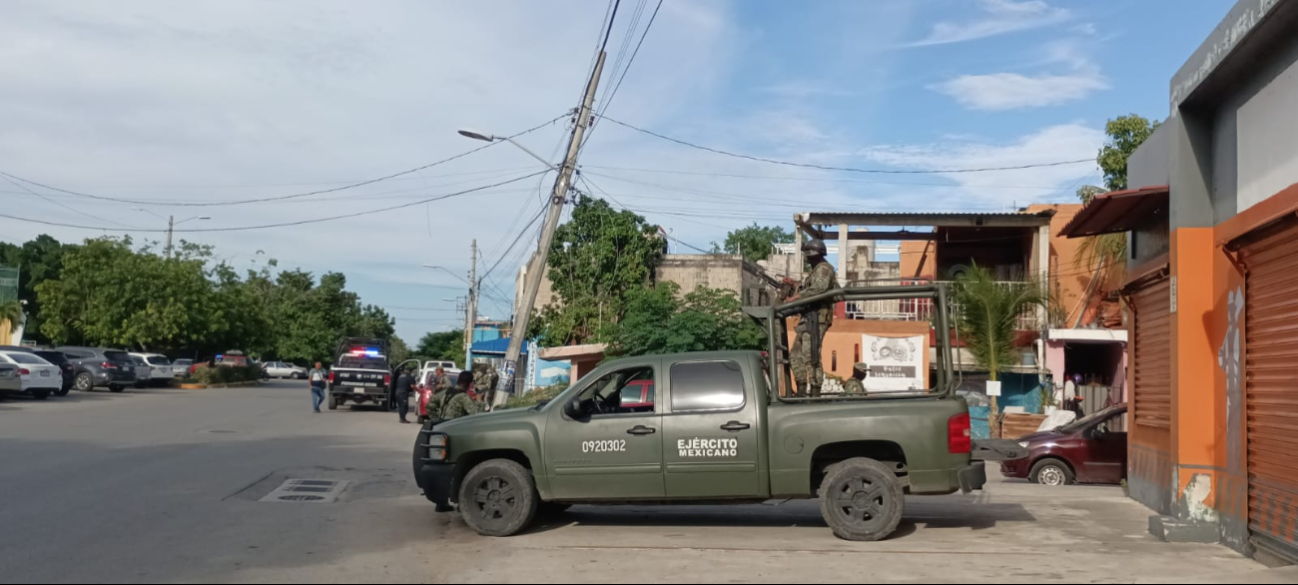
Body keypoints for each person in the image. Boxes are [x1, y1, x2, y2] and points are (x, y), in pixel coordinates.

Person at [788, 238, 838, 397]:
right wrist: (796, 287)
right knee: (796, 355)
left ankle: (815, 391)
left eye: (808, 256)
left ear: (814, 255)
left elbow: (819, 288)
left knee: (812, 356)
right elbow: (811, 288)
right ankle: (801, 388)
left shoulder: (824, 269)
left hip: (817, 317)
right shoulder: (816, 270)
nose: (807, 259)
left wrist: (796, 297)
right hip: (808, 317)